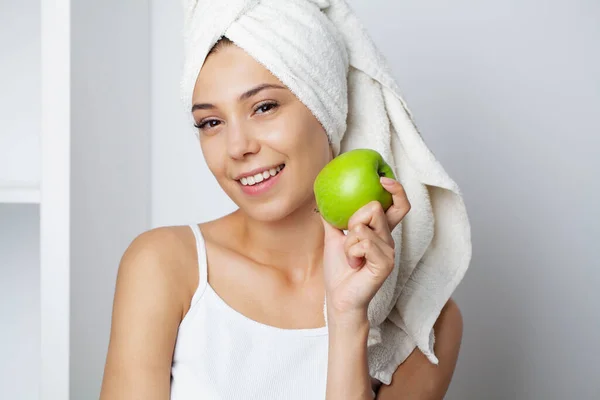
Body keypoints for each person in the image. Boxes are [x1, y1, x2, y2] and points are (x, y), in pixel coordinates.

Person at [100, 2, 468, 396]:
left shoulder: (422, 323)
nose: (237, 147)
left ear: (326, 107)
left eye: (264, 107)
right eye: (211, 122)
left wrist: (346, 320)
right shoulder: (165, 266)